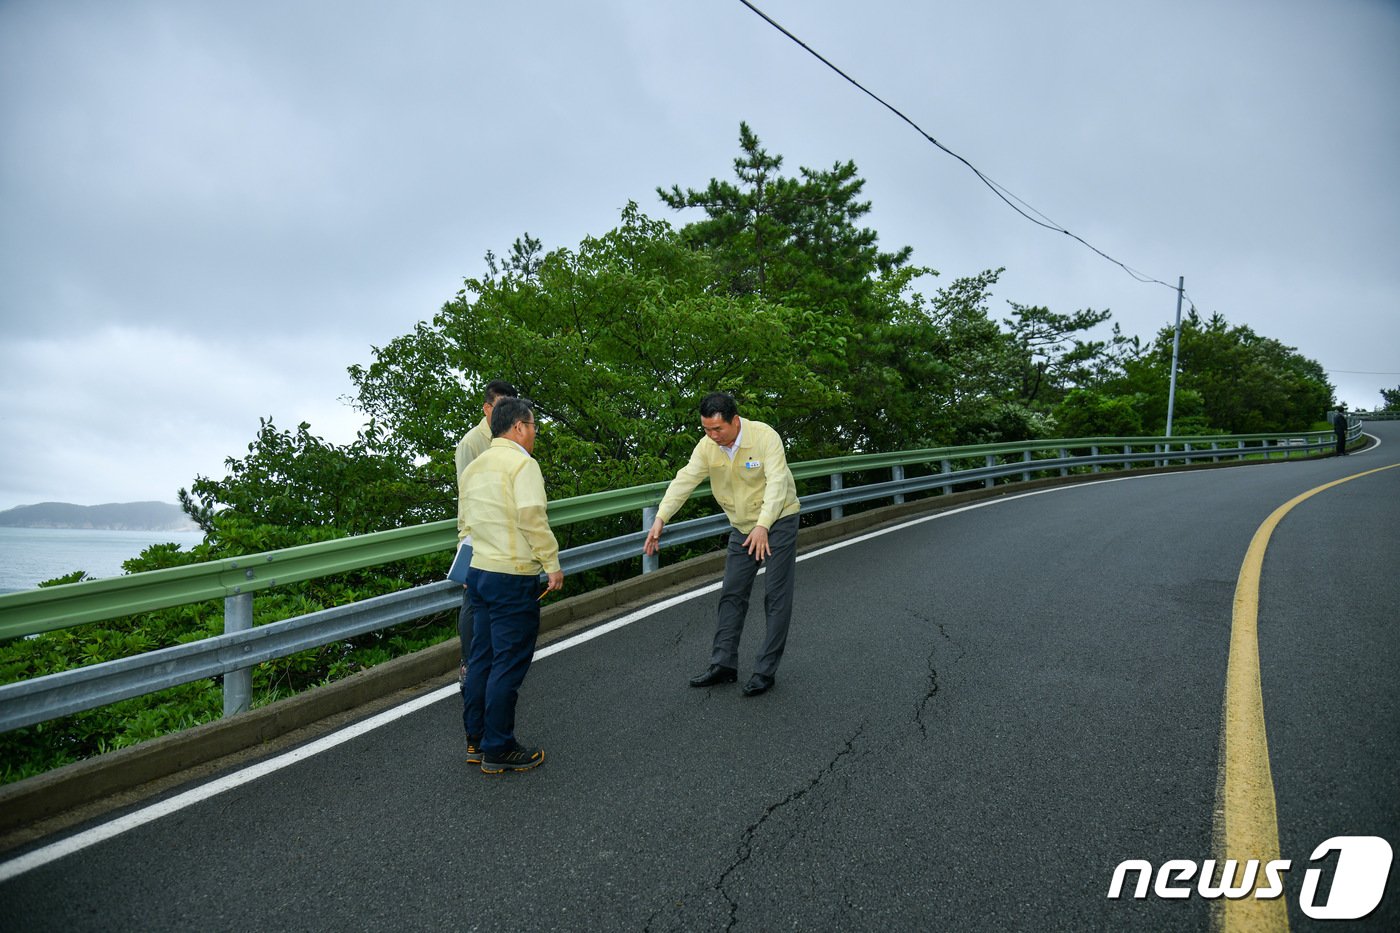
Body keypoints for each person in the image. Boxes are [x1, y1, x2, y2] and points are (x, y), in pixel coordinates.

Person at [644, 392, 801, 697]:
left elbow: (778, 483)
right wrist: (661, 518)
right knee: (732, 593)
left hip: (778, 519)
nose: (712, 436)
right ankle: (724, 664)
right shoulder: (707, 447)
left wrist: (763, 526)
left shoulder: (765, 437)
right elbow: (684, 480)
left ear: (735, 421)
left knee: (776, 595)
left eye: (718, 429)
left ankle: (765, 670)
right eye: (706, 430)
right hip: (742, 526)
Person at [460, 397, 563, 773]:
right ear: (518, 427)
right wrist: (552, 565)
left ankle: (476, 740)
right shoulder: (523, 464)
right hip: (513, 574)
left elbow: (466, 527)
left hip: (479, 574)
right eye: (533, 426)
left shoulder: (475, 468)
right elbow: (532, 517)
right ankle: (499, 747)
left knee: (480, 660)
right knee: (507, 663)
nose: (534, 434)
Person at [453, 380, 518, 757]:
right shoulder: (472, 445)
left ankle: (481, 680)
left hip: (505, 547)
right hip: (481, 544)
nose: (505, 412)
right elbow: (468, 500)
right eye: (499, 406)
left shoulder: (512, 441)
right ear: (486, 408)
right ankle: (469, 663)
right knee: (473, 612)